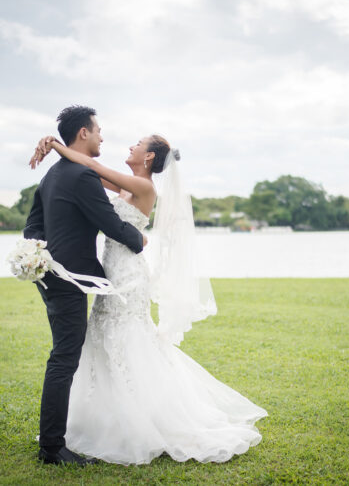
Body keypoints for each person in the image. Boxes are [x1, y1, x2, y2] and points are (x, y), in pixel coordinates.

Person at [30, 127, 268, 465]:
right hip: (110, 274)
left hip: (128, 276)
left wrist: (55, 145)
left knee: (127, 341)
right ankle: (106, 419)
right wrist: (56, 148)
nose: (129, 146)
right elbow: (86, 171)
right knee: (102, 340)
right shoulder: (125, 185)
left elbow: (93, 169)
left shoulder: (142, 186)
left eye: (137, 144)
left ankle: (145, 421)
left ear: (149, 157)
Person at [25, 105, 146, 466]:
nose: (102, 137)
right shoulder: (81, 176)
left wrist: (38, 256)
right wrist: (139, 241)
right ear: (83, 134)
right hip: (68, 279)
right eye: (98, 130)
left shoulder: (51, 175)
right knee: (64, 358)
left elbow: (33, 225)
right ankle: (52, 448)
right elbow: (109, 223)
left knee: (63, 355)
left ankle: (53, 441)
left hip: (50, 276)